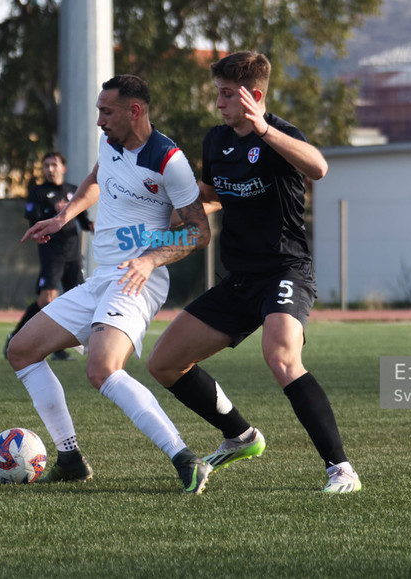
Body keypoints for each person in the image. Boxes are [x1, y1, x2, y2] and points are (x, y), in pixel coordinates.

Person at [147, 51, 362, 495]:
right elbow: (214, 194)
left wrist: (264, 129)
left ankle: (342, 469)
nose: (219, 103)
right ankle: (240, 436)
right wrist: (166, 207)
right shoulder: (216, 140)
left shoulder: (281, 135)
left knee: (281, 356)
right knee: (163, 362)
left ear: (254, 96)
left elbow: (319, 168)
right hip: (240, 279)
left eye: (227, 94)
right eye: (218, 93)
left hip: (286, 271)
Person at [6, 74, 214, 494]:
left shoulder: (168, 160)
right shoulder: (110, 143)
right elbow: (96, 179)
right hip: (103, 276)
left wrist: (150, 259)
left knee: (101, 368)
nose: (99, 120)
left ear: (134, 111)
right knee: (21, 350)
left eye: (106, 111)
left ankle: (184, 457)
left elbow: (199, 231)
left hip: (140, 278)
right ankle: (70, 458)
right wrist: (62, 217)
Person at [4, 151, 93, 361]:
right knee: (46, 300)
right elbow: (34, 222)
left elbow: (83, 221)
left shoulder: (73, 190)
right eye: (46, 166)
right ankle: (15, 337)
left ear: (63, 168)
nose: (50, 169)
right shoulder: (38, 192)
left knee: (78, 302)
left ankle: (59, 347)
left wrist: (94, 226)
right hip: (51, 254)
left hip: (73, 254)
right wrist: (54, 212)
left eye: (54, 165)